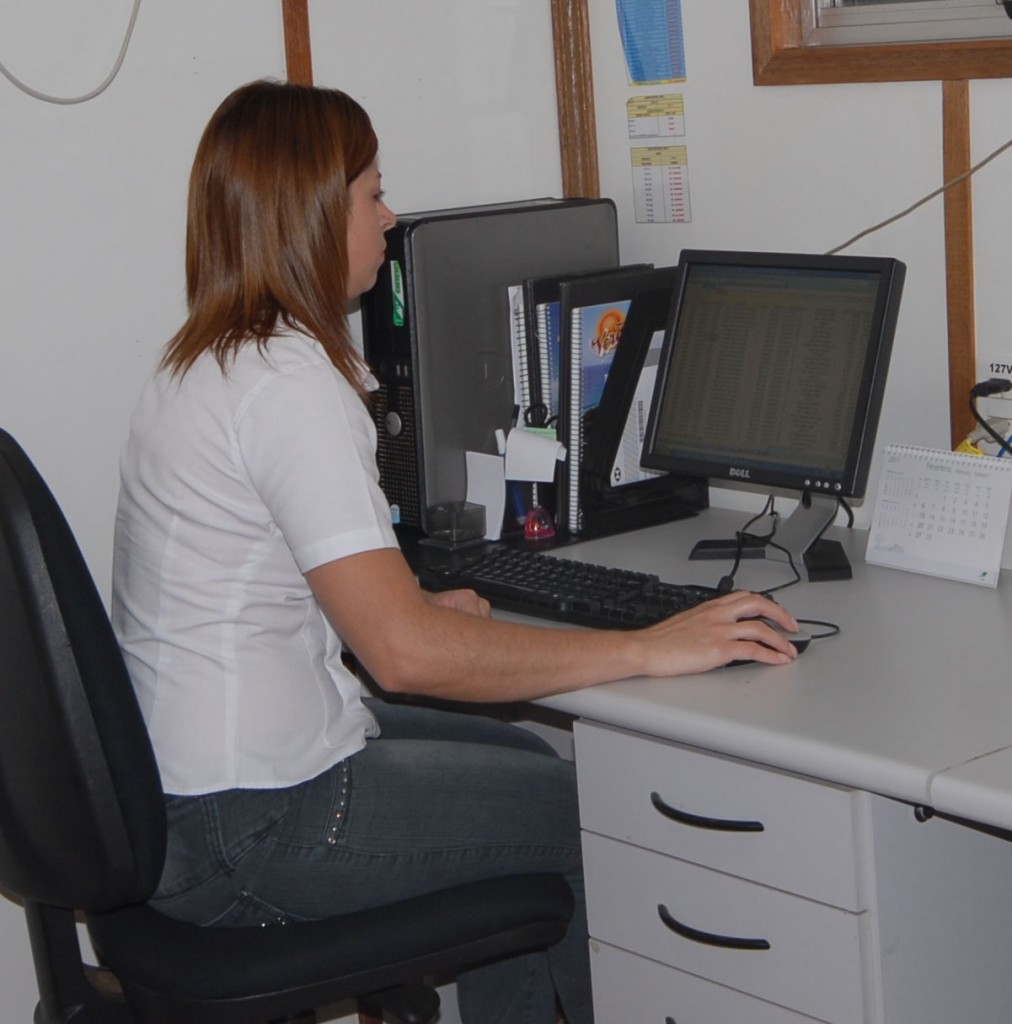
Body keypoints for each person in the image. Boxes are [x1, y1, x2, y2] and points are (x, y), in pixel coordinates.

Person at [110, 78, 799, 1024]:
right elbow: (405, 659)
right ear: (310, 215)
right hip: (254, 822)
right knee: (593, 811)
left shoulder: (203, 363)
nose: (389, 222)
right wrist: (650, 646)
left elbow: (274, 593)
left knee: (532, 767)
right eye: (372, 194)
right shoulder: (288, 390)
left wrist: (418, 613)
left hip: (186, 800)